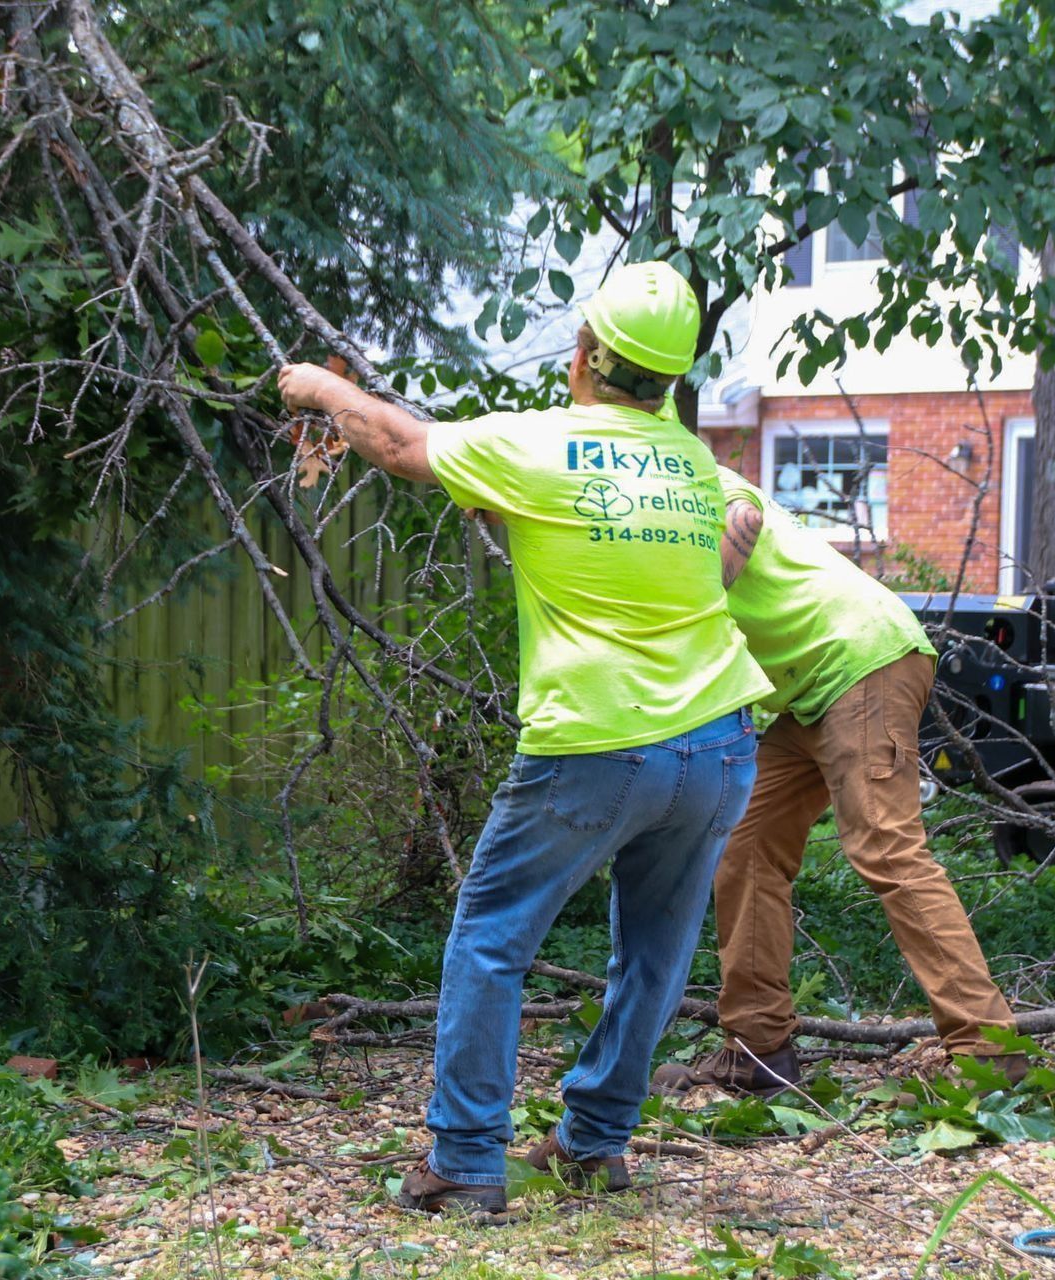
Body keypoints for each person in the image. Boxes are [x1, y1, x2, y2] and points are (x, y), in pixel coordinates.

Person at [278, 262, 771, 1218]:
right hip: (717, 745)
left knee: (492, 938)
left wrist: (318, 385)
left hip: (597, 742)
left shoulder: (541, 441)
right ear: (668, 381)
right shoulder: (695, 465)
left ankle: (464, 1160)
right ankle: (593, 1144)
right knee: (655, 959)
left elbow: (393, 439)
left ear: (585, 355)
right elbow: (708, 553)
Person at [651, 465, 1022, 1099]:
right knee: (746, 848)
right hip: (808, 694)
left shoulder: (675, 472)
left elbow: (742, 514)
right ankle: (759, 1051)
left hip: (861, 661)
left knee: (886, 845)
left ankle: (989, 1051)